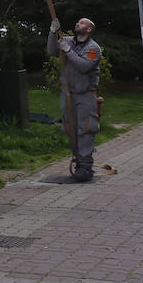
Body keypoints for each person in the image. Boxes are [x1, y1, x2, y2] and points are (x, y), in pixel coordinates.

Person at [46, 16, 102, 182]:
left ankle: (85, 167)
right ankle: (77, 161)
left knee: (85, 129)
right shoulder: (67, 41)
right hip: (68, 94)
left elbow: (84, 67)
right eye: (78, 21)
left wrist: (68, 51)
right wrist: (52, 33)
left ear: (89, 29)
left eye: (82, 22)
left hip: (85, 94)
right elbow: (51, 50)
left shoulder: (94, 48)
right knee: (70, 128)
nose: (78, 23)